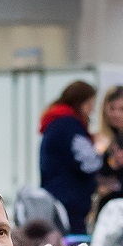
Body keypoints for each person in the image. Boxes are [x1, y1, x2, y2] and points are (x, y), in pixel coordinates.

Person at [38, 81, 102, 235]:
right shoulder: (70, 124)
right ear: (81, 102)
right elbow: (89, 163)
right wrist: (100, 149)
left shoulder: (55, 122)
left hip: (55, 196)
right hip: (72, 202)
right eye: (90, 104)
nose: (92, 110)